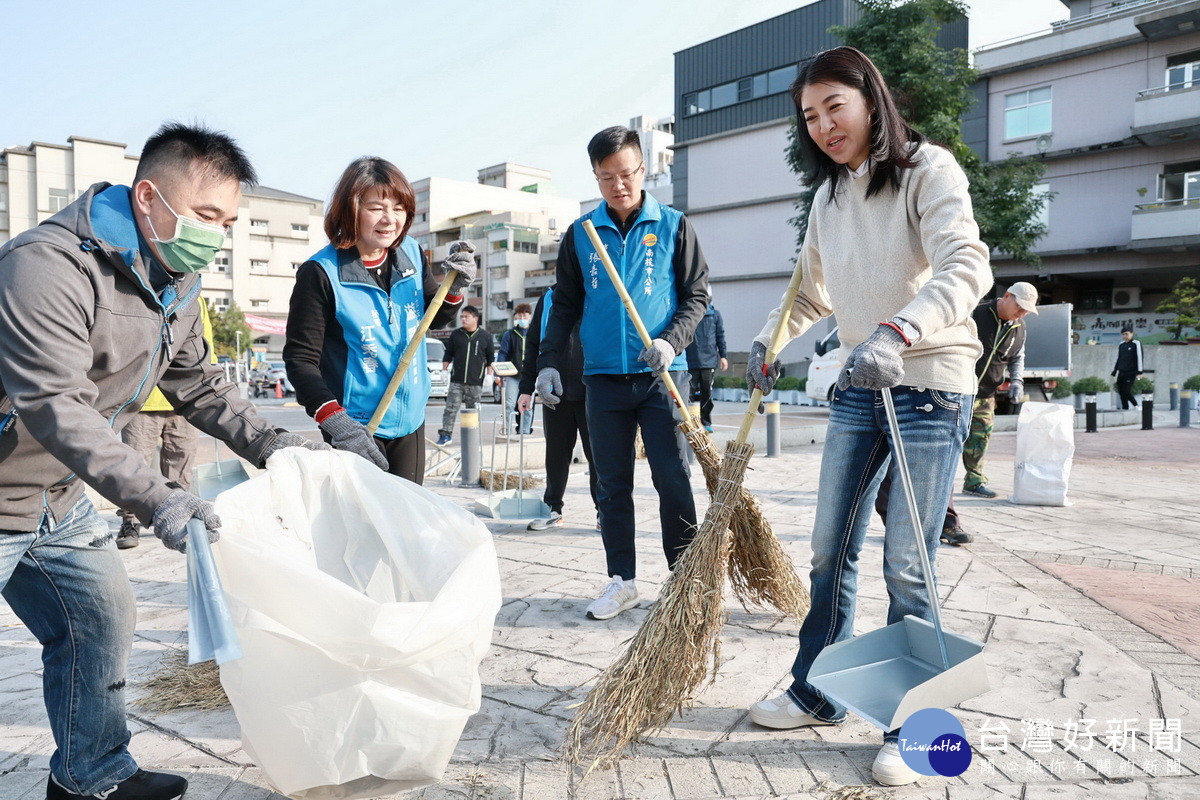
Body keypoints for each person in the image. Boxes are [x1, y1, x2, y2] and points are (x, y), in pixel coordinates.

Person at [0, 122, 329, 800]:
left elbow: (199, 384)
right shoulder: (45, 266)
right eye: (207, 215)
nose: (218, 232)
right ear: (148, 197)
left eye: (228, 221)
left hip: (54, 498)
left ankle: (92, 775)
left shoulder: (176, 282)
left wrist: (272, 446)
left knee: (101, 618)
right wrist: (158, 498)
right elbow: (55, 403)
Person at [742, 47, 991, 787]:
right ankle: (819, 692)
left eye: (834, 108)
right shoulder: (829, 198)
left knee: (908, 563)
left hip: (927, 382)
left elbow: (966, 264)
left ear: (870, 100)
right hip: (859, 383)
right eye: (809, 117)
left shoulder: (928, 171)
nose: (823, 126)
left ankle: (914, 723)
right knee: (829, 548)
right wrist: (768, 339)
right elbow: (812, 295)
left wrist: (898, 331)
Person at [536, 125, 709, 621]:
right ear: (595, 177)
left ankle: (685, 582)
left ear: (643, 169)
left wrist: (669, 342)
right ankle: (622, 580)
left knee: (672, 479)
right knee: (610, 485)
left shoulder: (674, 226)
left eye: (627, 173)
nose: (619, 185)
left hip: (660, 378)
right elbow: (564, 305)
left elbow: (697, 296)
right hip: (603, 381)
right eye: (606, 177)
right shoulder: (582, 234)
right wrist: (548, 362)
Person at [284, 157, 473, 483]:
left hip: (410, 418)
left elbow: (434, 318)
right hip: (355, 426)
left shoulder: (412, 253)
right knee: (363, 527)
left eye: (399, 208)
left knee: (407, 524)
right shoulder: (321, 273)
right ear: (350, 209)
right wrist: (336, 422)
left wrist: (452, 288)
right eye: (376, 208)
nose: (390, 219)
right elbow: (300, 361)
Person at [115, 300, 217, 549]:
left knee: (180, 467)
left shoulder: (193, 296)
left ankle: (180, 520)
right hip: (141, 402)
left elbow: (205, 343)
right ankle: (130, 521)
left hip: (182, 401)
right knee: (133, 466)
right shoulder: (135, 291)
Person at [517, 287, 598, 530]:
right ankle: (553, 509)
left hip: (593, 391)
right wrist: (525, 387)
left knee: (599, 457)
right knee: (555, 455)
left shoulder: (599, 289)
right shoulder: (549, 298)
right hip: (554, 391)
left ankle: (604, 512)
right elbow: (533, 344)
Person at [961, 282, 1039, 499]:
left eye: (1027, 310)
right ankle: (939, 483)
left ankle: (974, 482)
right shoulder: (976, 312)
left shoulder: (1019, 328)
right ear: (1006, 296)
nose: (1022, 313)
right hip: (958, 389)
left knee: (980, 438)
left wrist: (1017, 381)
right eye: (1020, 306)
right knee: (949, 438)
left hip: (986, 394)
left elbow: (1017, 357)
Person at [437, 306, 493, 445]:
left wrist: (489, 375)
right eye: (462, 316)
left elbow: (490, 359)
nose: (463, 319)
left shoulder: (485, 336)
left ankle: (471, 438)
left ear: (475, 318)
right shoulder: (456, 334)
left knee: (472, 411)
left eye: (466, 316)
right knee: (450, 408)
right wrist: (444, 370)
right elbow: (448, 354)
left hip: (475, 382)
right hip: (457, 381)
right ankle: (446, 435)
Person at [685, 295, 728, 431]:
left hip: (709, 361)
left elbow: (720, 336)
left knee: (706, 393)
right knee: (687, 393)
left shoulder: (715, 315)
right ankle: (688, 421)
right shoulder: (688, 313)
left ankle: (706, 422)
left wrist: (723, 356)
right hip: (689, 360)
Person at [497, 303, 534, 435]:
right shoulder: (510, 334)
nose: (522, 318)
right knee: (509, 404)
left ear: (530, 316)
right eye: (519, 316)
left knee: (527, 406)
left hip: (530, 375)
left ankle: (524, 431)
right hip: (513, 375)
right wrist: (499, 371)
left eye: (524, 315)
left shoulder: (534, 333)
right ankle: (506, 430)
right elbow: (503, 353)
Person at [1112, 325, 1144, 410]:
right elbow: (1118, 358)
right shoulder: (1121, 345)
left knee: (1126, 390)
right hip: (1121, 371)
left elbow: (1140, 357)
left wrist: (1139, 372)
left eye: (1126, 334)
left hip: (1131, 372)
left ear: (1131, 334)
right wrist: (1115, 370)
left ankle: (1136, 405)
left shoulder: (1136, 344)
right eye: (1123, 334)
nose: (1125, 336)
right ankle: (1125, 408)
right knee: (1121, 391)